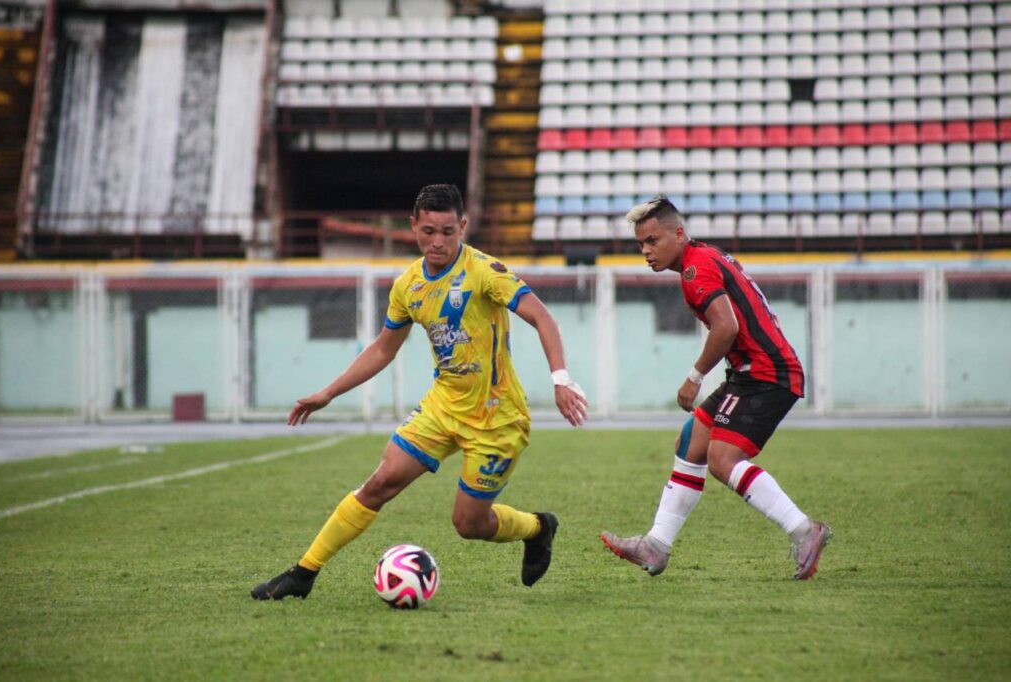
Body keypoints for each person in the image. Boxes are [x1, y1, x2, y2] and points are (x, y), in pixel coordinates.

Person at [252, 184, 588, 600]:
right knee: (379, 483)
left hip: (496, 419)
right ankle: (303, 573)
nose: (438, 241)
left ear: (463, 226)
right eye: (429, 231)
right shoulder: (408, 286)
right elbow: (382, 349)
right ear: (413, 226)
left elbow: (542, 316)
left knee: (468, 524)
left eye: (448, 231)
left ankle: (538, 527)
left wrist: (561, 378)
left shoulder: (484, 272)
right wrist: (328, 393)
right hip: (442, 407)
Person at [600, 196, 831, 580]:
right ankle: (656, 545)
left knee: (723, 461)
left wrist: (694, 377)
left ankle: (806, 531)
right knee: (691, 443)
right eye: (640, 243)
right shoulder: (702, 258)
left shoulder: (695, 271)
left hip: (766, 373)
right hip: (749, 372)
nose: (645, 251)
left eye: (652, 241)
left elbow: (727, 327)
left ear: (679, 233)